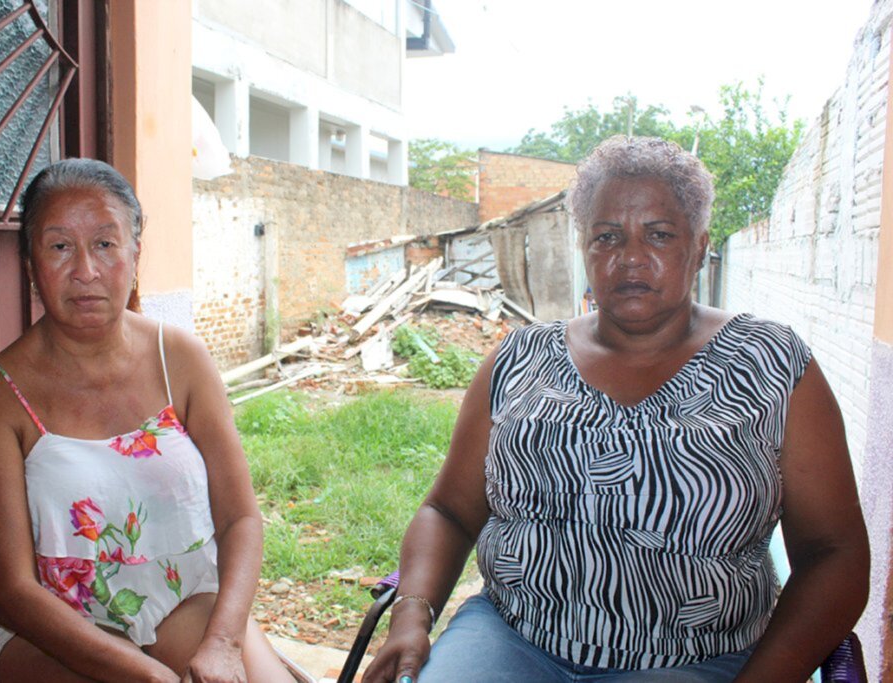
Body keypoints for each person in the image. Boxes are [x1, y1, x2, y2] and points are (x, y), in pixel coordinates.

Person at [364, 136, 870, 683]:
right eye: (607, 237)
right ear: (585, 249)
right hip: (511, 639)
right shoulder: (519, 359)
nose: (630, 257)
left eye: (658, 234)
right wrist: (412, 611)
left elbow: (834, 551)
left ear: (699, 248)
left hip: (695, 660)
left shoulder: (772, 366)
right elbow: (449, 511)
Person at [0, 158, 296, 683]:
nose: (85, 271)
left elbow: (241, 519)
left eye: (105, 243)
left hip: (187, 601)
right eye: (59, 246)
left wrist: (225, 643)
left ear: (135, 254)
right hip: (58, 634)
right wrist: (149, 677)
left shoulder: (180, 358)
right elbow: (12, 593)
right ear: (29, 265)